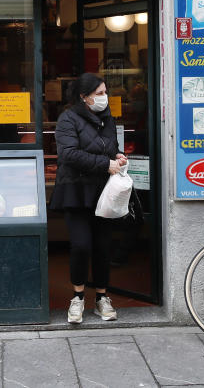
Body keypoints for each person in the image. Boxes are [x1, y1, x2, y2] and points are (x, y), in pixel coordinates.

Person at [50, 72, 127, 323]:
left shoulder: (108, 120)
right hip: (75, 190)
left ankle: (102, 298)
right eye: (100, 93)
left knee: (103, 246)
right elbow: (69, 154)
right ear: (84, 97)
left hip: (103, 192)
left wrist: (118, 157)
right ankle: (78, 298)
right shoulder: (67, 119)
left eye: (105, 92)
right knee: (82, 245)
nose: (105, 97)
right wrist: (105, 164)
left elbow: (111, 148)